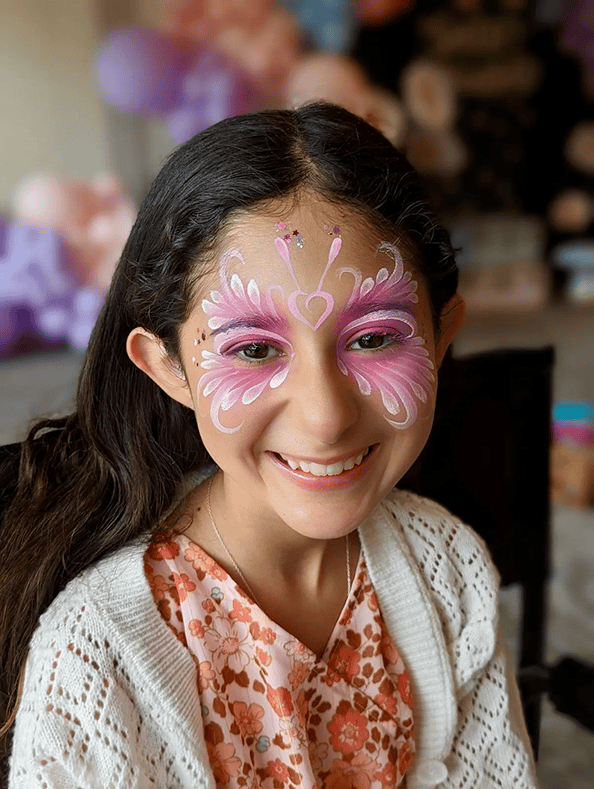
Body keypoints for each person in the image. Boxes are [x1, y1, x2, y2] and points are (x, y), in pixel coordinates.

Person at [1, 103, 537, 788]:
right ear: (169, 367)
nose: (323, 417)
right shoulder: (92, 656)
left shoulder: (447, 569)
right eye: (253, 349)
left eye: (373, 337)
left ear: (441, 333)